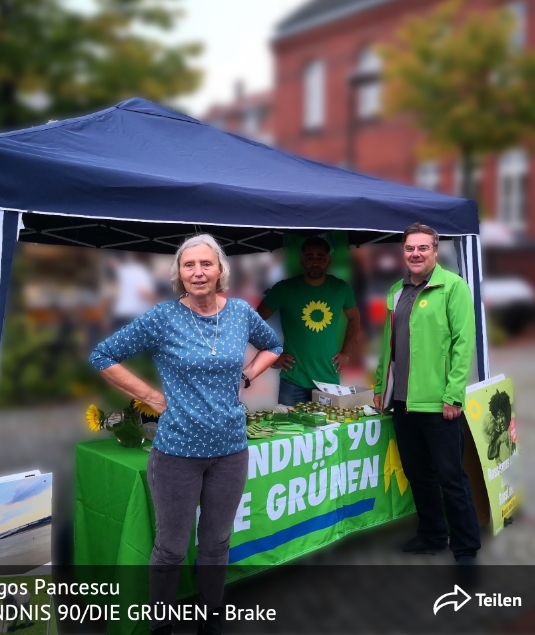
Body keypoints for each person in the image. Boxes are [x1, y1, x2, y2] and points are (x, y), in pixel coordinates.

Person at [90, 234, 281, 635]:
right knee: (171, 548)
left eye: (206, 264)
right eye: (189, 265)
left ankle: (210, 620)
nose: (198, 272)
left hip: (230, 450)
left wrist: (247, 374)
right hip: (177, 452)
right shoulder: (163, 318)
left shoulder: (241, 314)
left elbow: (273, 345)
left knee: (216, 544)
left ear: (220, 270)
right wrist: (149, 395)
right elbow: (102, 355)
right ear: (178, 273)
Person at [373, 222, 481, 562]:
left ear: (435, 251)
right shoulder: (395, 291)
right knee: (418, 474)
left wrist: (454, 395)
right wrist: (380, 388)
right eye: (409, 248)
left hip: (438, 404)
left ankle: (465, 546)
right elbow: (387, 346)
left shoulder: (453, 287)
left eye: (423, 248)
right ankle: (433, 534)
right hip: (403, 402)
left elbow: (465, 344)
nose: (415, 254)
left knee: (451, 478)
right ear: (402, 253)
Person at [257, 236, 360, 405]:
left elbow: (355, 318)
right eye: (310, 257)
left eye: (321, 257)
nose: (315, 262)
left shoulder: (341, 288)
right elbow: (255, 322)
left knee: (327, 430)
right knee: (290, 430)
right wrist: (272, 356)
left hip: (328, 380)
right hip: (293, 380)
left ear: (329, 261)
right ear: (302, 261)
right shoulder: (284, 289)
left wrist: (346, 353)